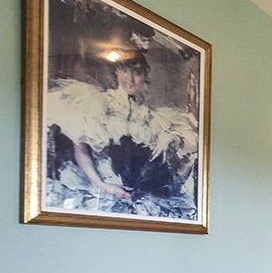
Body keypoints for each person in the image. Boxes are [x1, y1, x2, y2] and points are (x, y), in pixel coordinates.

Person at [46, 48, 199, 213]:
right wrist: (102, 185)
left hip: (135, 197)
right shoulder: (98, 102)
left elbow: (194, 145)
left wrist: (170, 138)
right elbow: (81, 149)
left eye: (137, 73)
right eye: (125, 71)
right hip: (99, 189)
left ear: (145, 76)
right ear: (117, 73)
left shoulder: (152, 117)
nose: (130, 79)